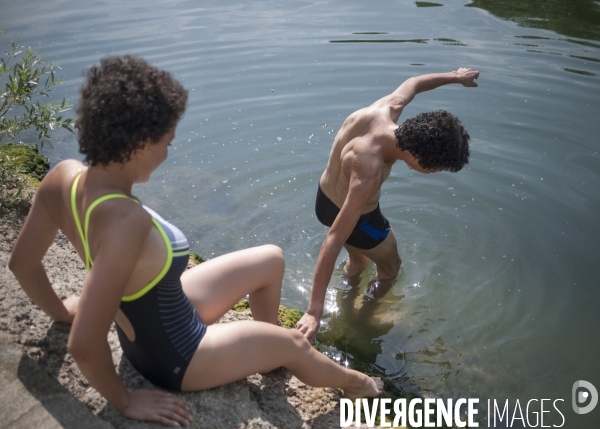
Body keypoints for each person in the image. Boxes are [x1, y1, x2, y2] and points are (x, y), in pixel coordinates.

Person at [8, 55, 383, 427]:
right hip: (176, 356)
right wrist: (124, 402)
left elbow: (22, 263)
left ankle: (265, 356)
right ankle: (359, 385)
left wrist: (59, 311)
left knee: (271, 259)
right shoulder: (127, 223)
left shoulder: (63, 177)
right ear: (140, 146)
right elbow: (83, 343)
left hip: (165, 309)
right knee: (295, 344)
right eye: (167, 143)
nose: (169, 153)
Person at [296, 68, 479, 343]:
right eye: (436, 168)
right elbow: (333, 239)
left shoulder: (385, 110)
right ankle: (362, 317)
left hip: (324, 198)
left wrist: (455, 76)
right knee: (391, 265)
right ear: (418, 156)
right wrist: (313, 311)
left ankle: (348, 295)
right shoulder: (369, 171)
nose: (434, 173)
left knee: (359, 257)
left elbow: (414, 83)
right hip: (357, 218)